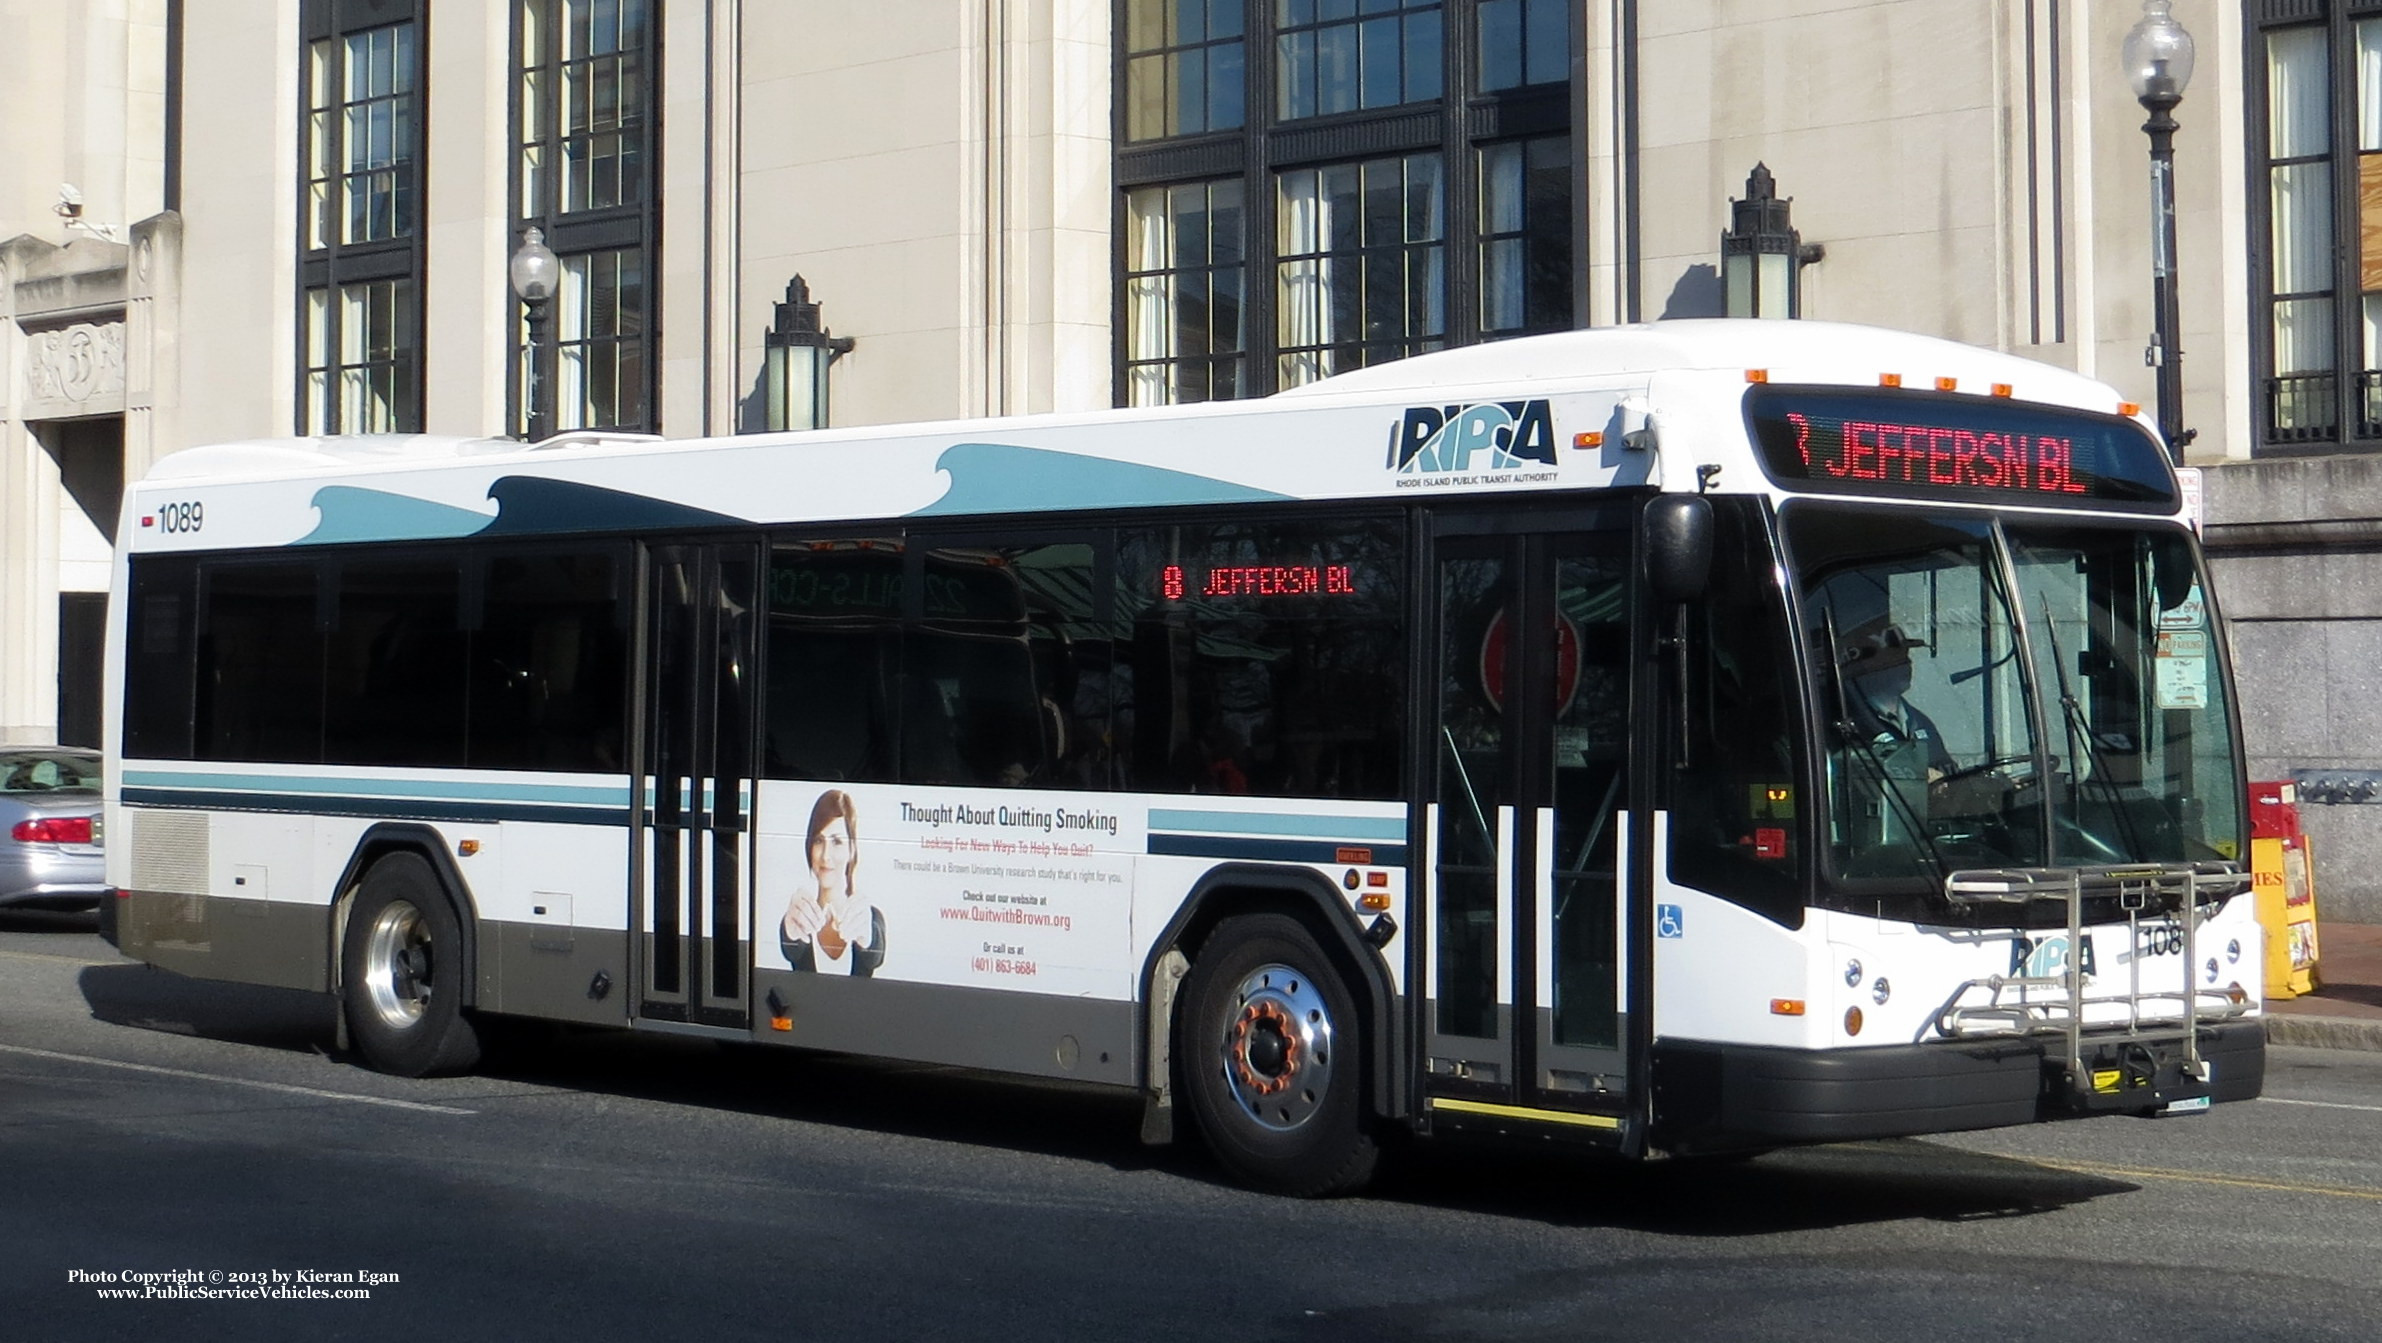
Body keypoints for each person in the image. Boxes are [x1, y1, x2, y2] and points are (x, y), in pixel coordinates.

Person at [781, 789, 885, 976]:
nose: (826, 856)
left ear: (852, 850)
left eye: (837, 841)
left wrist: (866, 936)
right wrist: (790, 931)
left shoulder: (870, 917)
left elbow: (874, 954)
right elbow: (791, 948)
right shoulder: (799, 916)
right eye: (819, 841)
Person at [1840, 622, 1952, 782]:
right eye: (1895, 658)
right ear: (1868, 667)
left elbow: (1947, 768)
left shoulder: (1919, 721)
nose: (1907, 664)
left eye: (1906, 656)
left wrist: (1944, 778)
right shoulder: (1852, 722)